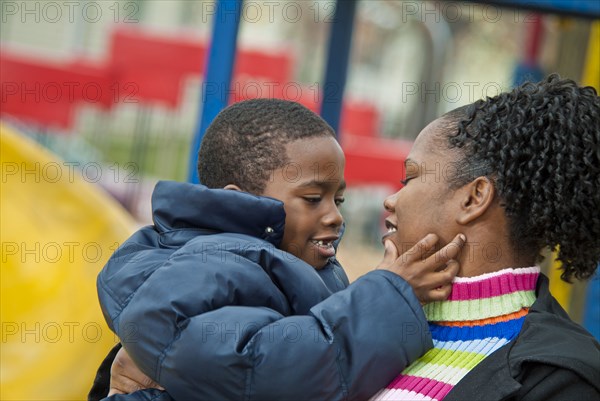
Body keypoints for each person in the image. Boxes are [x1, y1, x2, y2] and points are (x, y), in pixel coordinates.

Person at [90, 99, 465, 401]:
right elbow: (262, 370)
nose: (334, 216)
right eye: (313, 198)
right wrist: (388, 296)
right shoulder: (208, 263)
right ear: (237, 204)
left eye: (339, 199)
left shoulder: (288, 265)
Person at [371, 74, 600, 401]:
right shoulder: (376, 322)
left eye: (410, 177)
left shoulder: (561, 376)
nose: (391, 200)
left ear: (474, 198)